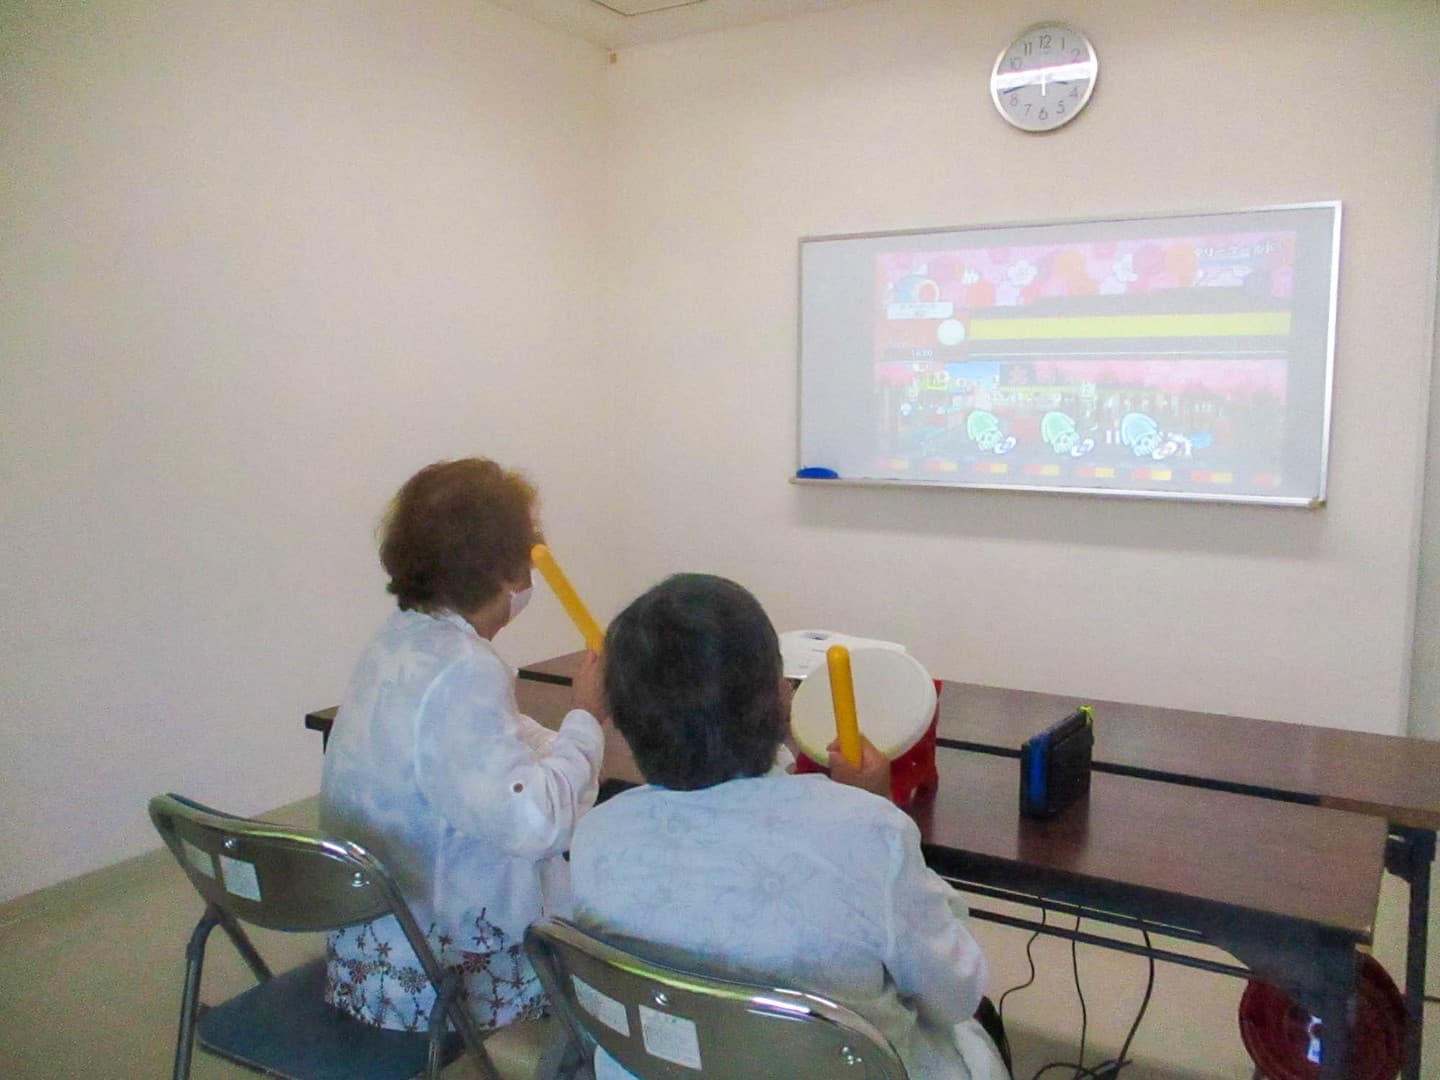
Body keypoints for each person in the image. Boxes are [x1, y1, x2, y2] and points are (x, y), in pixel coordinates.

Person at [569, 573, 1009, 1079]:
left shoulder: (596, 836)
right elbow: (956, 993)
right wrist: (871, 808)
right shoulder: (866, 833)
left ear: (620, 718)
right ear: (781, 700)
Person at [320, 457, 605, 1032]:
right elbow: (538, 824)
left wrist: (557, 742)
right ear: (509, 569)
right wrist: (585, 718)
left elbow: (488, 737)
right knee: (608, 934)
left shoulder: (402, 639)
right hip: (434, 985)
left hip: (365, 958)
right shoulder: (465, 668)